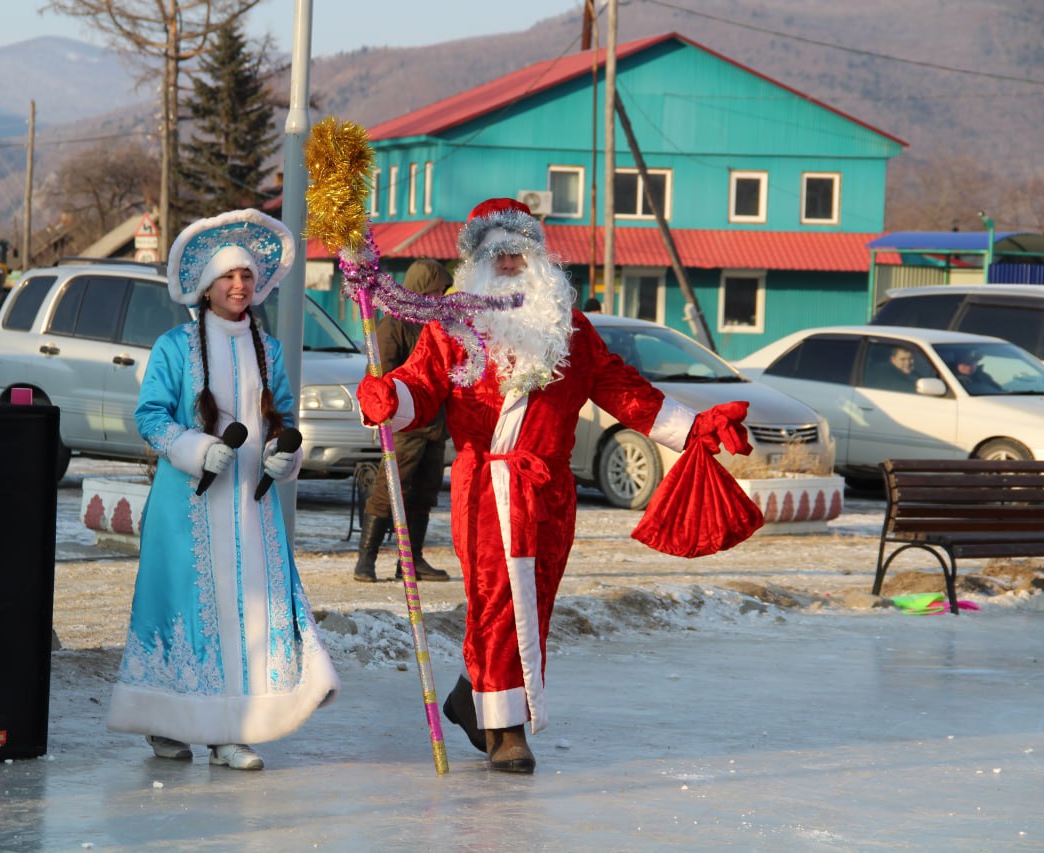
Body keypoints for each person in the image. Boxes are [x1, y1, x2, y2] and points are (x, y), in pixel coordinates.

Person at [356, 198, 745, 773]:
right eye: (497, 254)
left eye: (519, 251)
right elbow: (420, 385)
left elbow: (624, 389)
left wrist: (693, 427)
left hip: (550, 493)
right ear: (476, 263)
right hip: (485, 485)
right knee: (494, 603)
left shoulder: (571, 330)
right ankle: (506, 730)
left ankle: (473, 698)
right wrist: (392, 398)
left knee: (531, 604)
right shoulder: (453, 328)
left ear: (539, 258)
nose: (510, 263)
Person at [107, 209, 339, 770]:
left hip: (251, 510)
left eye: (247, 277)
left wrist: (285, 454)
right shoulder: (173, 346)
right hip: (186, 507)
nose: (239, 286)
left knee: (248, 616)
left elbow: (281, 417)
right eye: (228, 277)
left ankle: (232, 730)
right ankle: (167, 724)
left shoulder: (269, 350)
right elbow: (151, 416)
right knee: (182, 610)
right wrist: (195, 448)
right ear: (207, 286)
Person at [355, 259, 452, 583]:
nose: (441, 297)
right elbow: (379, 373)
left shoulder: (442, 326)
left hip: (436, 425)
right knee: (391, 489)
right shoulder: (395, 325)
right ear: (422, 288)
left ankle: (411, 561)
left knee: (425, 493)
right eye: (437, 290)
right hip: (404, 423)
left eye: (443, 291)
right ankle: (365, 561)